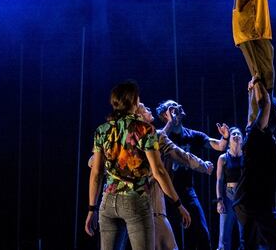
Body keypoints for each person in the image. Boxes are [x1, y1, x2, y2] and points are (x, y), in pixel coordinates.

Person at [85, 80, 191, 250]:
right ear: (133, 101)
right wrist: (178, 204)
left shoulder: (102, 130)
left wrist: (92, 208)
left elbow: (96, 173)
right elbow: (159, 172)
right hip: (135, 201)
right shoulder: (144, 130)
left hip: (107, 203)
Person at [136, 102, 214, 250]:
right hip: (156, 198)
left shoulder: (127, 137)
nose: (148, 108)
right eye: (144, 108)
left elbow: (93, 161)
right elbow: (180, 156)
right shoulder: (156, 134)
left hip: (166, 195)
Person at [156, 99, 230, 250]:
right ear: (165, 115)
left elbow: (219, 146)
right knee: (172, 238)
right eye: (173, 107)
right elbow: (158, 141)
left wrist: (225, 137)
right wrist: (170, 123)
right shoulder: (160, 136)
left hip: (187, 191)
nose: (179, 107)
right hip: (166, 194)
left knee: (201, 234)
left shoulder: (193, 135)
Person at [233, 76, 276, 250]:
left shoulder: (259, 133)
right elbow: (265, 104)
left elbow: (254, 113)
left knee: (254, 245)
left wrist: (251, 91)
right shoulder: (258, 134)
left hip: (256, 202)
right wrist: (258, 77)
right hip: (254, 203)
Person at [216, 127, 245, 250]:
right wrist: (219, 200)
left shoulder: (247, 157)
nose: (237, 135)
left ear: (242, 139)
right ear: (229, 140)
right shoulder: (223, 158)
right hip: (229, 194)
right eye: (234, 134)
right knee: (224, 237)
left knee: (245, 234)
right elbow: (219, 180)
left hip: (244, 196)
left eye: (239, 133)